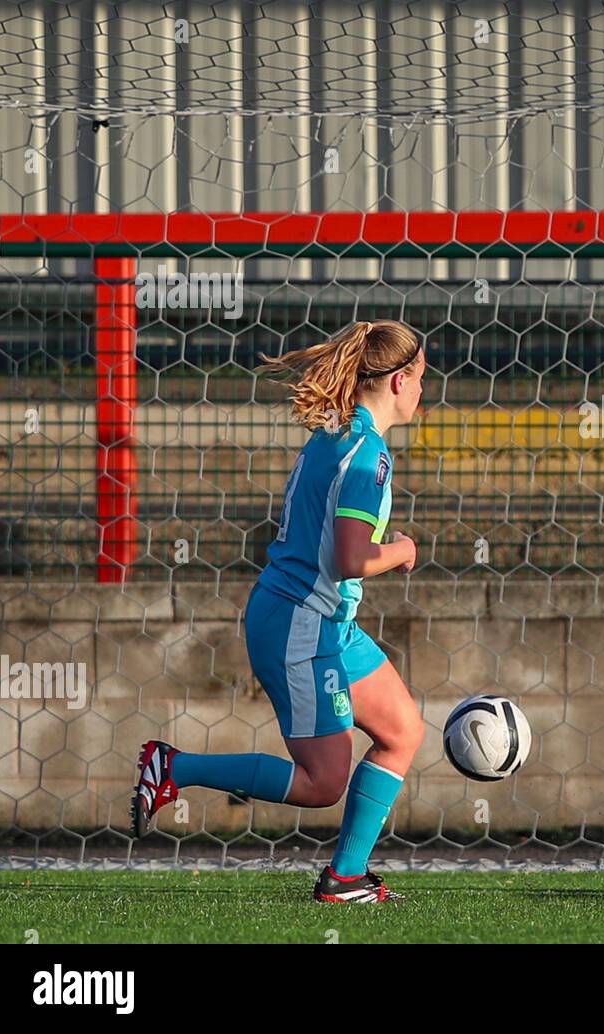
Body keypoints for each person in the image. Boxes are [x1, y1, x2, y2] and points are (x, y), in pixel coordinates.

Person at [131, 320, 427, 904]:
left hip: (324, 621)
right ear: (397, 381)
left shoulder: (339, 433)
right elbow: (347, 559)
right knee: (323, 783)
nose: (424, 391)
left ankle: (345, 879)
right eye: (421, 378)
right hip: (302, 625)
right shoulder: (367, 455)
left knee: (401, 731)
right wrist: (401, 551)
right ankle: (173, 768)